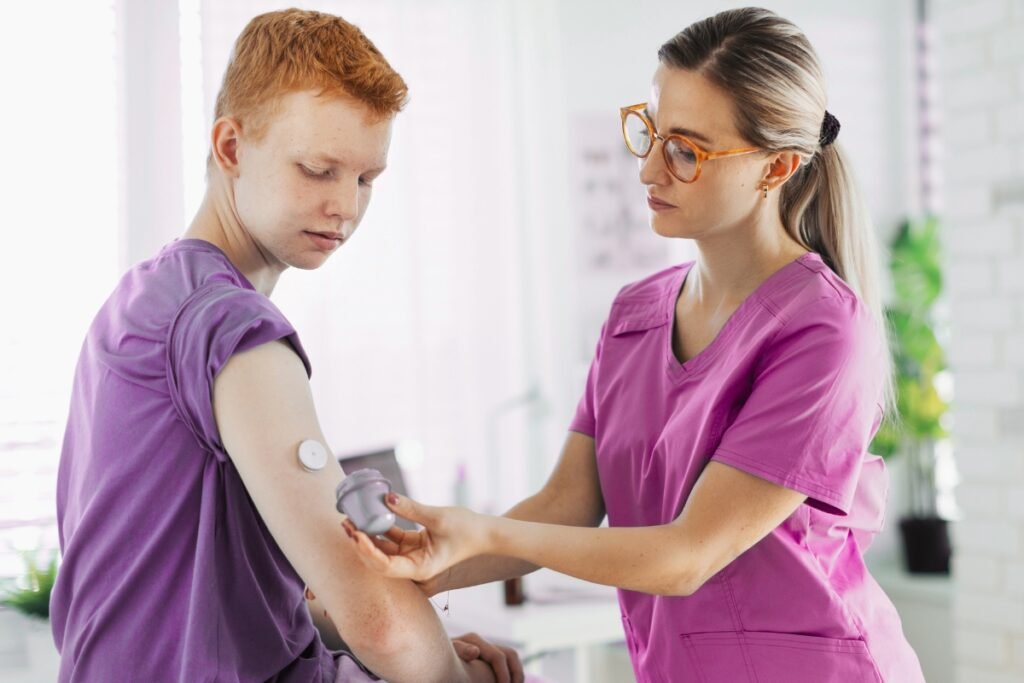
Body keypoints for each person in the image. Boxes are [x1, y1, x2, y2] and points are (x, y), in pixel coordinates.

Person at [345, 7, 927, 683]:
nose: (649, 169)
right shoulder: (634, 316)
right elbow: (566, 503)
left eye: (686, 150)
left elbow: (687, 555)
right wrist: (420, 561)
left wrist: (485, 532)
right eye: (650, 133)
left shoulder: (822, 329)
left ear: (778, 168)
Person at [51, 9, 524, 683]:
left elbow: (221, 586)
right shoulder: (234, 333)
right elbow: (382, 623)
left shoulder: (137, 303)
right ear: (232, 147)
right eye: (318, 169)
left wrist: (434, 644)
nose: (346, 207)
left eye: (365, 179)